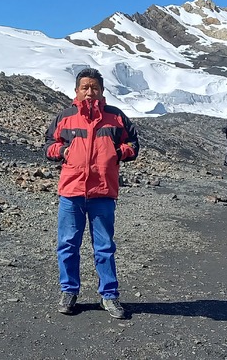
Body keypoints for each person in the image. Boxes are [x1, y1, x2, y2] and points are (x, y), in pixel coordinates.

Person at [44, 68, 139, 320]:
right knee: (67, 245)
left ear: (102, 90)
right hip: (72, 191)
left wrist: (118, 153)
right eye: (85, 87)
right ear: (76, 90)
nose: (90, 91)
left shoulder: (116, 118)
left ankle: (109, 295)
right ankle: (69, 291)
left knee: (105, 246)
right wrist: (63, 152)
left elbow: (133, 144)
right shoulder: (65, 117)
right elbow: (48, 144)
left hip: (103, 192)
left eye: (94, 87)